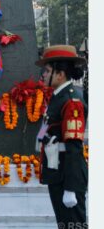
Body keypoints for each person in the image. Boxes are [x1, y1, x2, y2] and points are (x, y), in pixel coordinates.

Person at [35, 45, 87, 228]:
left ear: (60, 74)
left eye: (47, 71)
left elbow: (74, 147)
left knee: (74, 225)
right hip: (58, 172)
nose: (43, 75)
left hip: (67, 175)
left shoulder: (71, 101)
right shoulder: (58, 97)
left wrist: (71, 188)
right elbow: (48, 127)